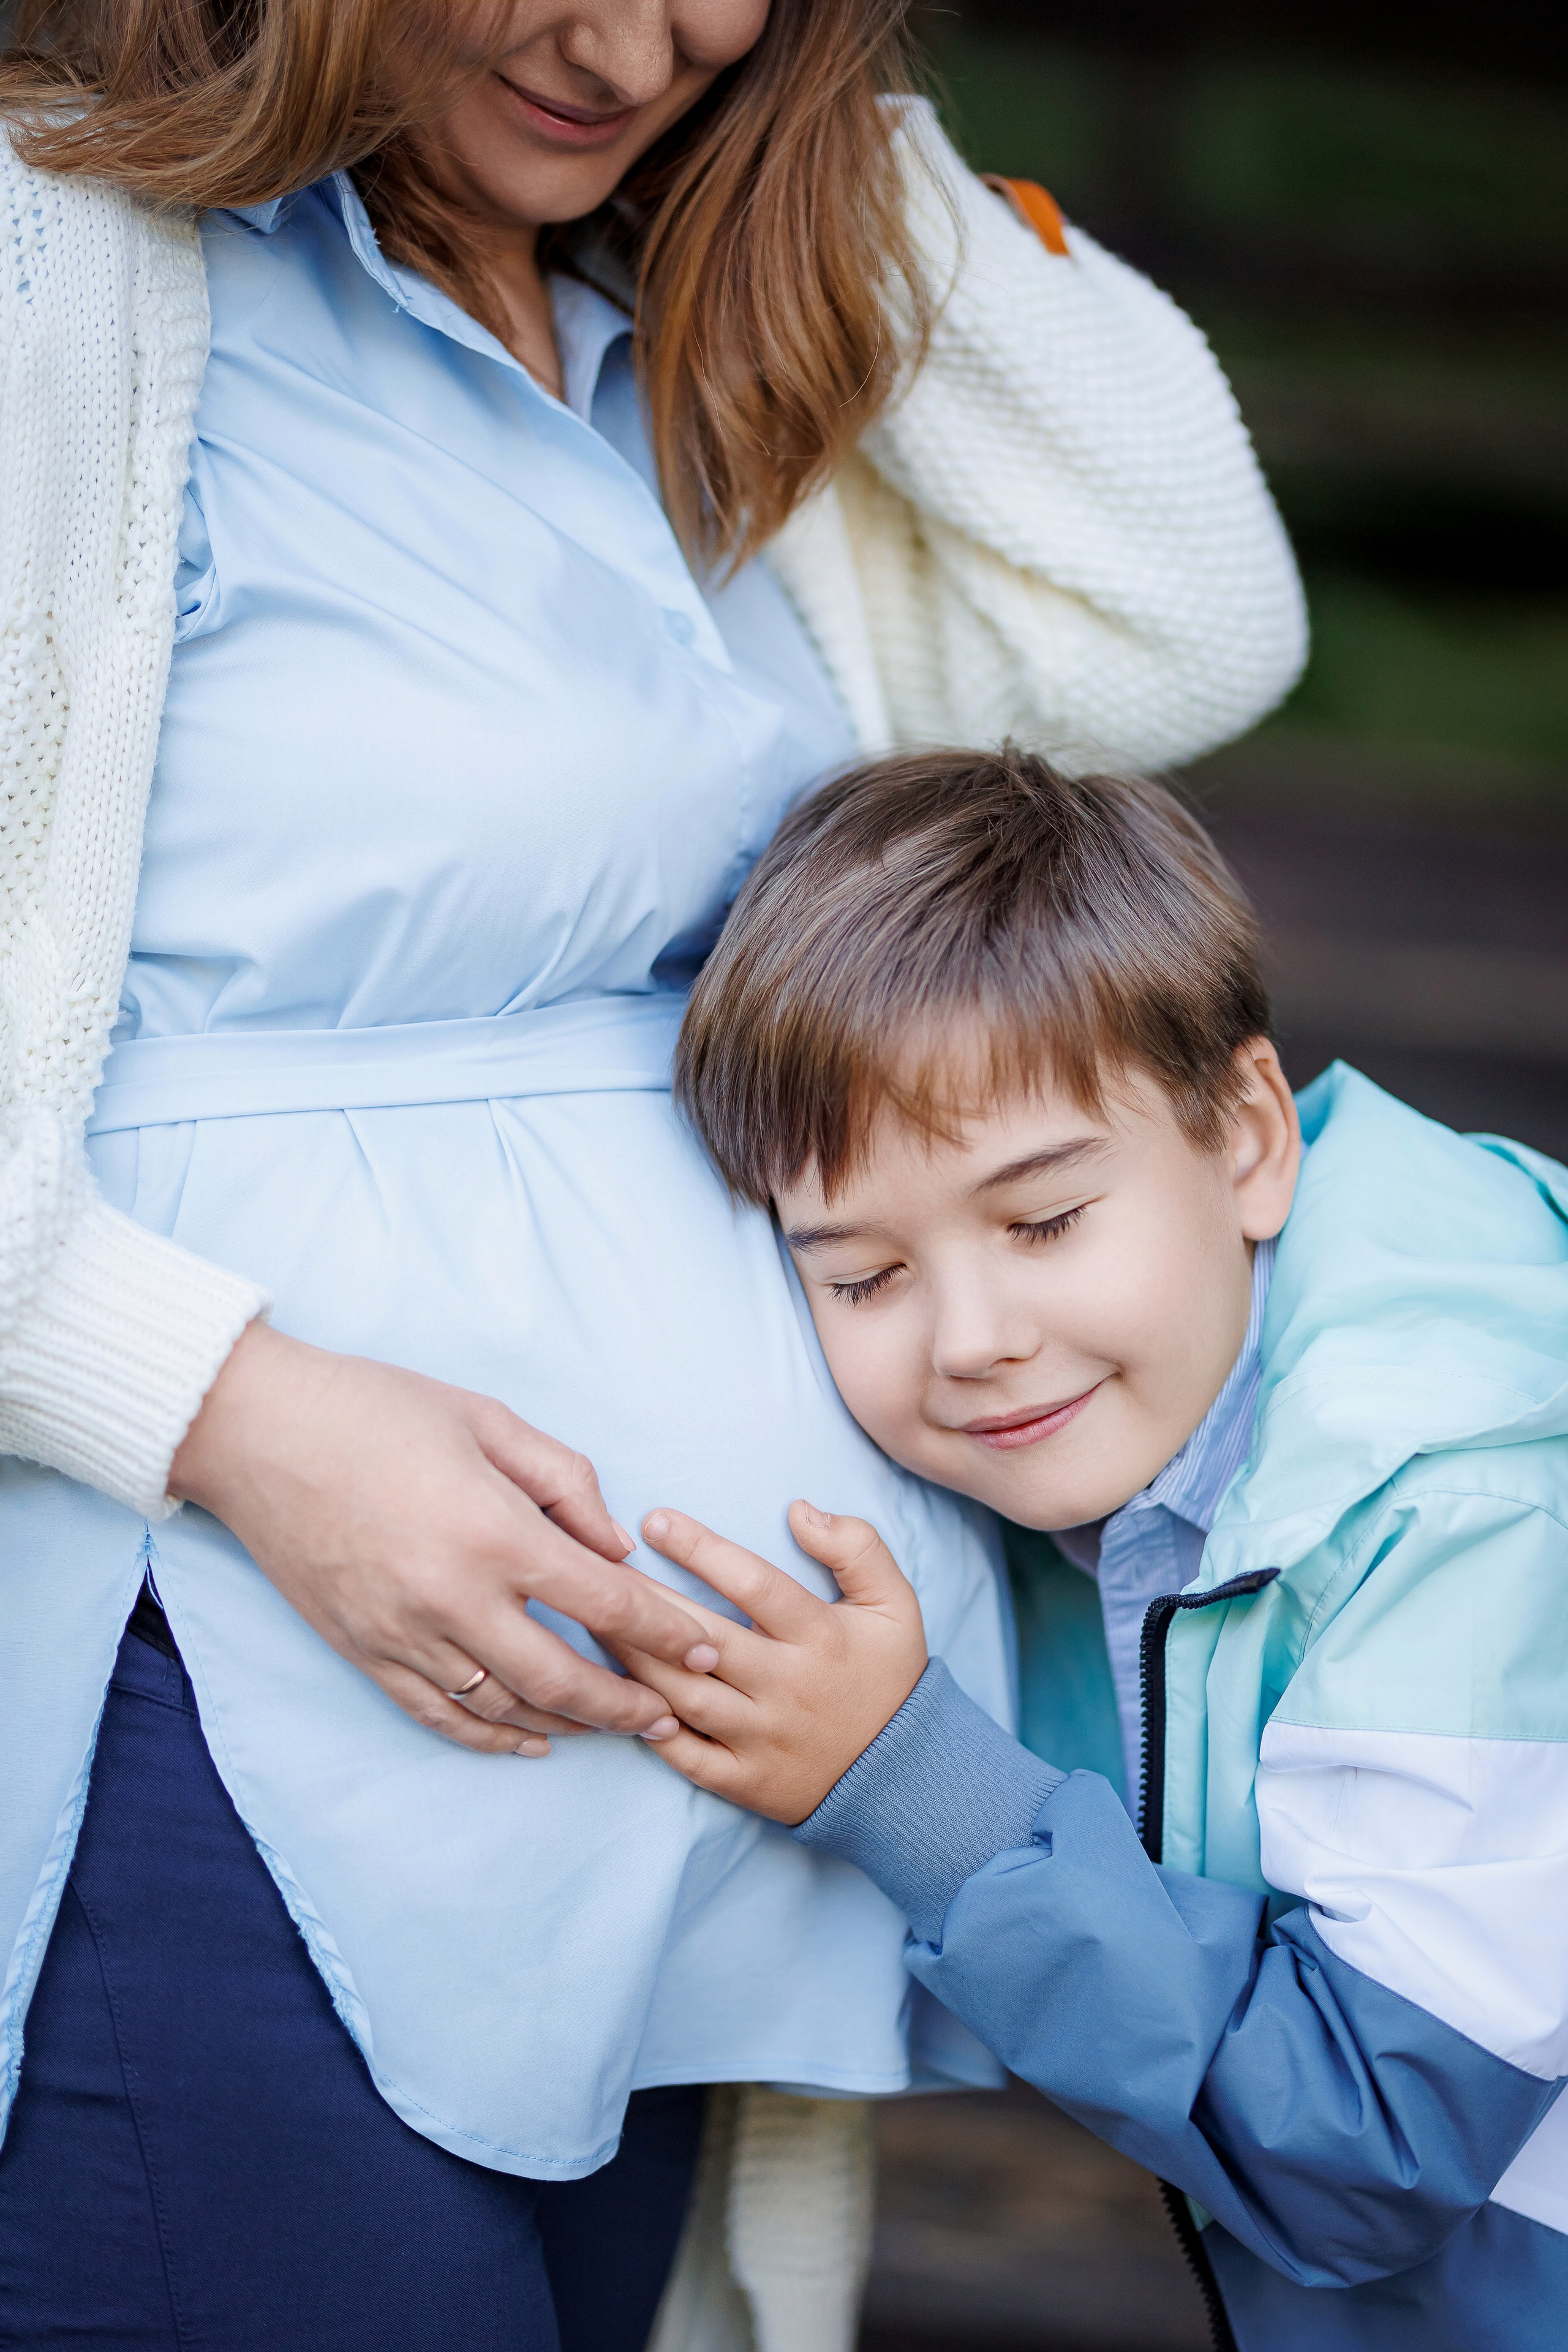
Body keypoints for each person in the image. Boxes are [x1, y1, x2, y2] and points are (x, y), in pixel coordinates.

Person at [0, 1, 1306, 2343]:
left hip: (688, 1815)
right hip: (231, 1719)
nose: (627, 40)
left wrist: (803, 140)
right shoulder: (57, 272)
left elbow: (1191, 607)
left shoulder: (673, 344)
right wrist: (235, 1416)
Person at [617, 747, 1568, 2352]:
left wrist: (918, 1794)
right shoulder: (1118, 1467)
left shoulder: (1470, 1508)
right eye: (860, 1276)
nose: (974, 1340)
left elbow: (1374, 2145)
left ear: (1249, 1140)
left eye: (1045, 1220)